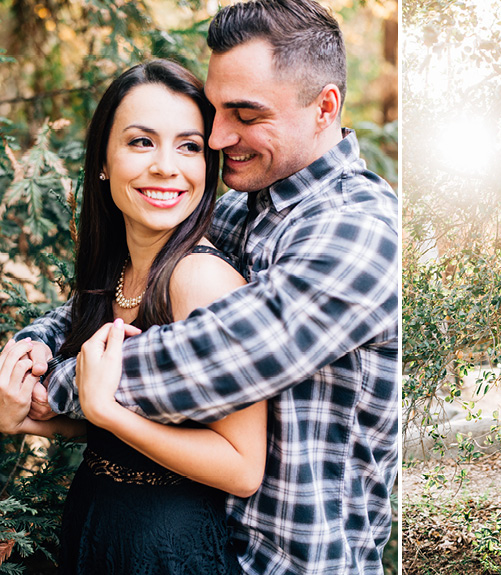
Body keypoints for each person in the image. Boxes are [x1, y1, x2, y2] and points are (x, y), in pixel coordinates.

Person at [1, 1, 399, 574]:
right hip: (210, 545)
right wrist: (32, 347)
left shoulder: (359, 230)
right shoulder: (238, 211)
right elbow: (110, 297)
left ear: (325, 107)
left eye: (243, 113)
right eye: (214, 111)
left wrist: (49, 390)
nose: (216, 137)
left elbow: (212, 354)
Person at [1, 59, 268, 573]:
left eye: (189, 146)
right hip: (97, 524)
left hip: (169, 547)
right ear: (103, 158)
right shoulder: (118, 270)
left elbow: (242, 466)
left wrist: (107, 412)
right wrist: (32, 417)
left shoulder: (201, 281)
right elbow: (129, 424)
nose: (167, 166)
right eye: (142, 142)